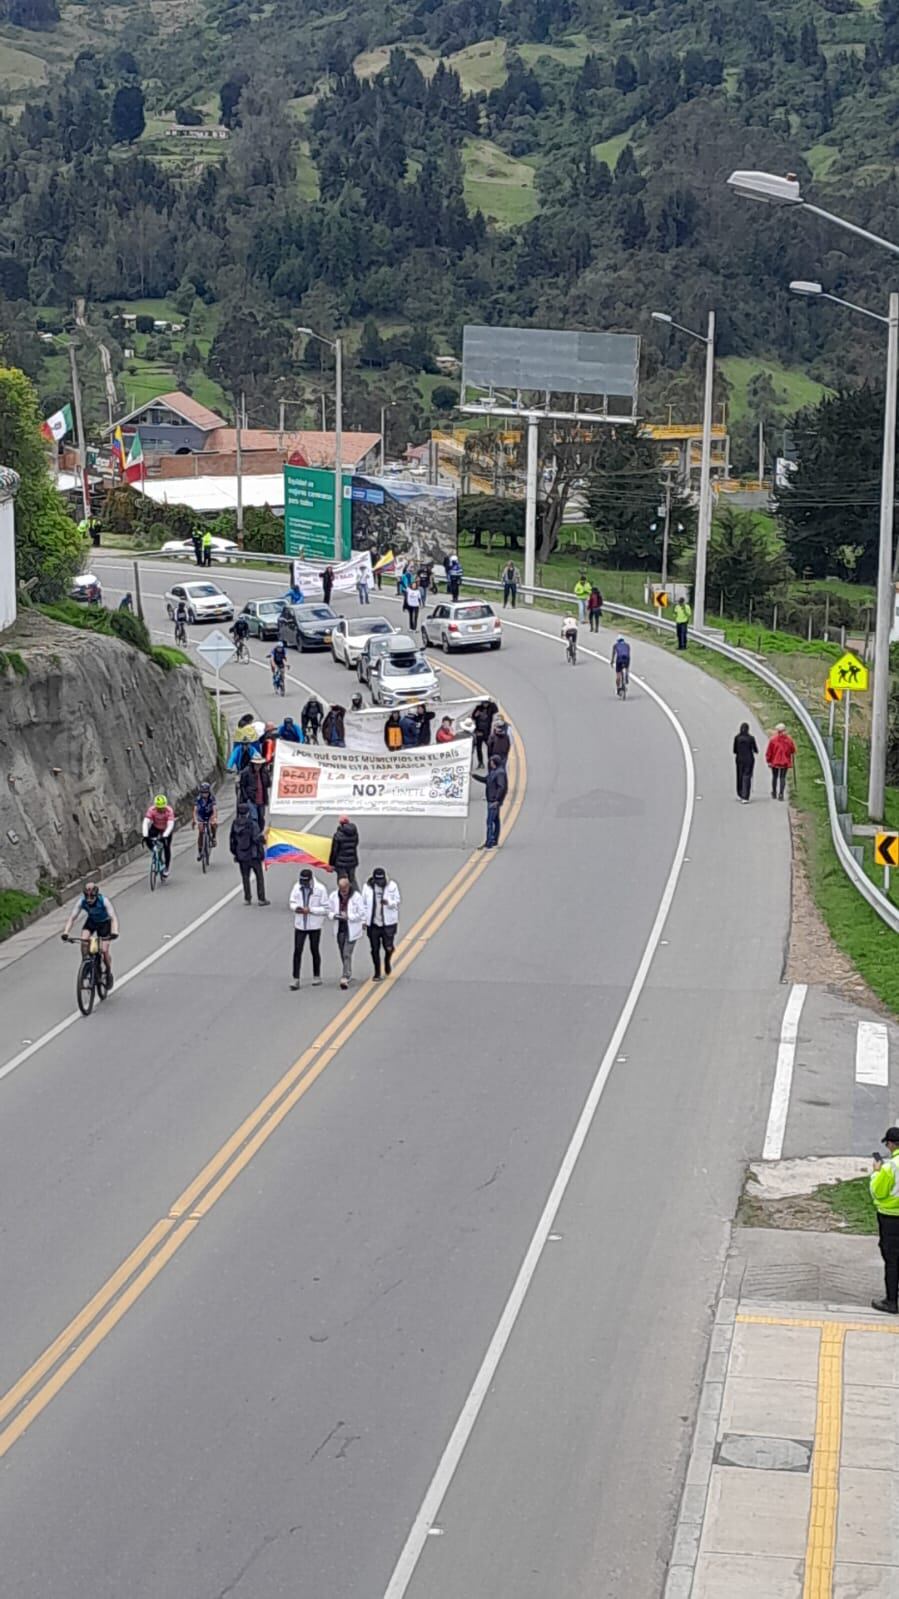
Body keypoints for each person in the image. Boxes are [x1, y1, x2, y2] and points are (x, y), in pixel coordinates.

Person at [61, 881, 118, 986]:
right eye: (87, 897)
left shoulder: (104, 901)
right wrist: (66, 932)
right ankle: (86, 963)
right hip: (92, 921)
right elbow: (72, 918)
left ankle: (108, 972)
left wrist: (114, 931)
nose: (89, 900)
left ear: (96, 895)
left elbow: (113, 917)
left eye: (92, 897)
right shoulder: (81, 902)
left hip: (104, 923)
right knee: (84, 940)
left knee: (104, 950)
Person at [871, 1129, 899, 1313]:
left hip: (891, 1218)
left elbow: (878, 1192)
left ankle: (891, 1301)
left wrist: (876, 1172)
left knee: (892, 1260)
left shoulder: (890, 1167)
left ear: (890, 1144)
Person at [288, 866, 329, 989]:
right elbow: (292, 902)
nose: (304, 884)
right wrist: (296, 908)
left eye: (306, 882)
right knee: (297, 951)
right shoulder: (297, 887)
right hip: (300, 925)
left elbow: (326, 908)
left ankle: (317, 975)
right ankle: (296, 978)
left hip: (314, 925)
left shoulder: (320, 889)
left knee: (314, 950)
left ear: (311, 880)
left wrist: (311, 910)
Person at [362, 866, 401, 982]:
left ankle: (387, 961)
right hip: (373, 923)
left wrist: (388, 903)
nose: (380, 883)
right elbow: (363, 905)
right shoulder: (367, 888)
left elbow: (397, 901)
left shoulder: (392, 886)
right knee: (374, 948)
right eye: (377, 880)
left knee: (388, 947)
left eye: (381, 880)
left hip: (388, 923)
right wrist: (364, 921)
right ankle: (377, 972)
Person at [328, 874, 365, 988]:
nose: (343, 892)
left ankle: (345, 976)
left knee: (346, 953)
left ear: (349, 886)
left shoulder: (356, 897)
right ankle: (347, 970)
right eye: (341, 889)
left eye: (345, 889)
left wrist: (349, 916)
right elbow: (329, 911)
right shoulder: (334, 896)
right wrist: (335, 915)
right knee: (342, 951)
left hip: (352, 928)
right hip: (340, 928)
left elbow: (361, 913)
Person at [229, 801, 269, 906]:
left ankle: (247, 898)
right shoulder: (252, 824)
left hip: (241, 855)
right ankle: (261, 899)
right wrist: (264, 838)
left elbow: (232, 840)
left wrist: (236, 853)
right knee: (259, 876)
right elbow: (256, 838)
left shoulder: (235, 824)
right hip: (253, 854)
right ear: (248, 812)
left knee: (245, 877)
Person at [471, 754, 508, 849]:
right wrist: (474, 776)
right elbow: (485, 780)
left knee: (490, 821)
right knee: (495, 820)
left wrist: (497, 800)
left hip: (493, 801)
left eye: (491, 762)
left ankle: (489, 843)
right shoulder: (494, 771)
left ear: (495, 763)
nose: (490, 763)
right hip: (491, 799)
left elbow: (501, 787)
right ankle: (494, 840)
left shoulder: (499, 773)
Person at [142, 795, 175, 877]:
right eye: (159, 808)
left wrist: (165, 835)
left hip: (166, 829)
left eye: (162, 808)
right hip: (156, 827)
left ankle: (166, 867)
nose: (161, 809)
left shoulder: (169, 811)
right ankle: (157, 855)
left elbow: (170, 825)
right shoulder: (152, 810)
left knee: (167, 847)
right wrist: (145, 835)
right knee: (148, 840)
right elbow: (145, 822)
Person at [766, 722, 796, 801]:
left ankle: (774, 793)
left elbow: (769, 752)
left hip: (775, 761)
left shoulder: (773, 740)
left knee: (774, 776)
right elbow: (793, 750)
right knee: (782, 777)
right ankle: (781, 794)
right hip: (785, 761)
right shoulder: (789, 740)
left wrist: (768, 760)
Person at [329, 815, 360, 889]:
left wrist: (331, 863)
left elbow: (334, 850)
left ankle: (344, 894)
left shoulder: (338, 835)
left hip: (341, 863)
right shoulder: (354, 833)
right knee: (352, 879)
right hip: (352, 861)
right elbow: (356, 844)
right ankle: (356, 893)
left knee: (342, 880)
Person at [239, 751, 270, 824]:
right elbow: (242, 786)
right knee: (254, 818)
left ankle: (259, 830)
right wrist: (246, 798)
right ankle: (255, 831)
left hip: (261, 800)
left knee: (261, 818)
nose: (258, 766)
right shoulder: (246, 772)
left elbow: (268, 784)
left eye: (259, 764)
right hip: (251, 800)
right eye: (256, 764)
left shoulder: (264, 772)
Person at [733, 722, 759, 804]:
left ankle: (740, 793)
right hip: (749, 760)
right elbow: (756, 750)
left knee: (739, 776)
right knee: (747, 776)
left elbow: (734, 750)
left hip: (739, 759)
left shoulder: (737, 738)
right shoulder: (751, 738)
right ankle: (745, 796)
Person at [193, 780, 218, 857]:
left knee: (214, 824)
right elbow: (195, 810)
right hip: (201, 815)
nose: (205, 794)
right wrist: (194, 820)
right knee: (201, 831)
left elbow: (214, 809)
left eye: (206, 792)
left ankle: (213, 837)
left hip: (210, 814)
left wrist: (214, 817)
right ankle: (200, 850)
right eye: (203, 793)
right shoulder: (198, 798)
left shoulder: (212, 798)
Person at [472, 700, 496, 768]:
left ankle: (490, 762)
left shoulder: (490, 708)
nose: (485, 704)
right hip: (479, 731)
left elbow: (496, 709)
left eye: (487, 703)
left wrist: (491, 701)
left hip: (487, 732)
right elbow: (473, 716)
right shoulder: (478, 708)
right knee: (478, 748)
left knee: (490, 747)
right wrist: (476, 714)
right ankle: (481, 763)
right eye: (484, 703)